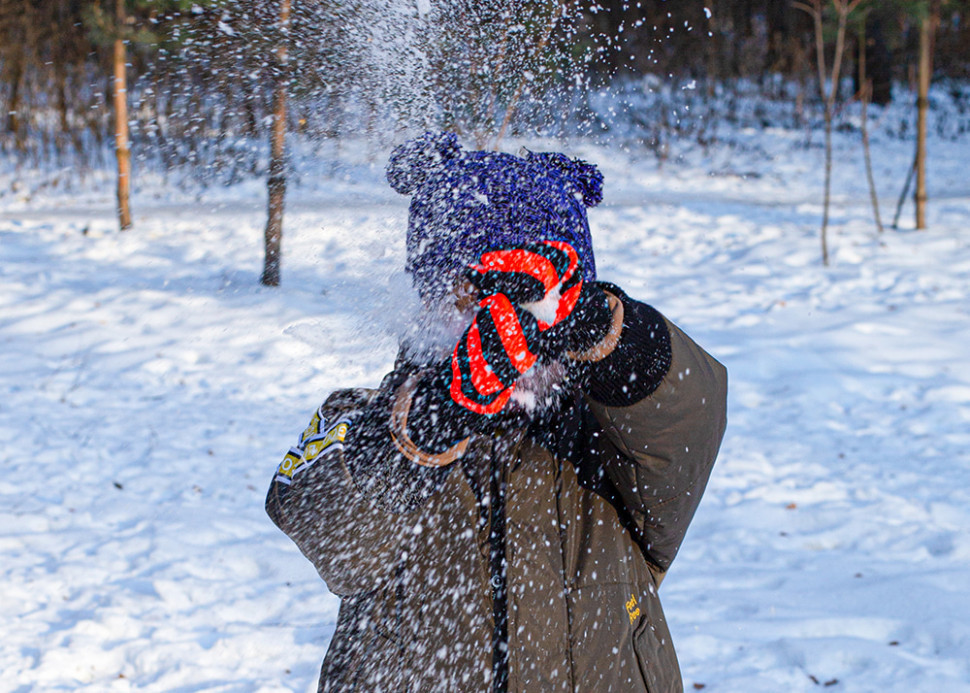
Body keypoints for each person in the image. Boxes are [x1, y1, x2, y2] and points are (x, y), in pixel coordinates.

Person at [266, 132, 728, 693]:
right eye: (475, 295)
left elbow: (688, 414)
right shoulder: (368, 420)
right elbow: (332, 533)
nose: (498, 322)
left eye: (524, 296)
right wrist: (433, 419)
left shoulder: (610, 436)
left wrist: (606, 332)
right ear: (430, 301)